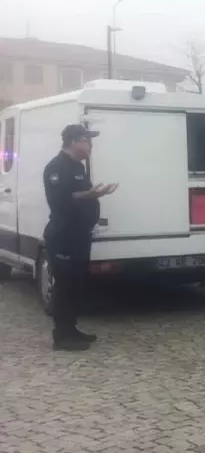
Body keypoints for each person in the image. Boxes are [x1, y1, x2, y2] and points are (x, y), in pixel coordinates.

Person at [42, 124, 118, 350]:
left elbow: (81, 197)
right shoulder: (56, 167)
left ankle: (71, 329)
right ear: (74, 142)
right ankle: (61, 336)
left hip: (79, 236)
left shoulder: (78, 167)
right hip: (64, 236)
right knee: (65, 285)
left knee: (76, 284)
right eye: (87, 141)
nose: (91, 146)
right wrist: (91, 194)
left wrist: (95, 194)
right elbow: (60, 200)